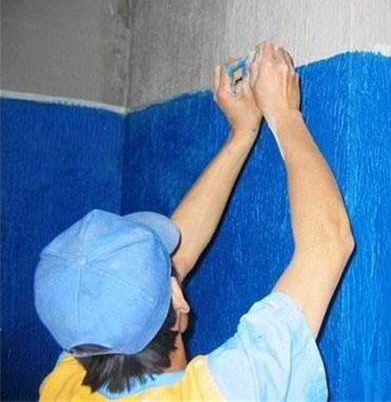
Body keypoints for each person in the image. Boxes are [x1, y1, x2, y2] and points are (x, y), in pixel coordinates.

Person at [34, 41, 355, 401]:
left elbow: (167, 267)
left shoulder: (67, 382)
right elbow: (328, 243)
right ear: (177, 301)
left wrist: (242, 133)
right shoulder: (227, 391)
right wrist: (284, 113)